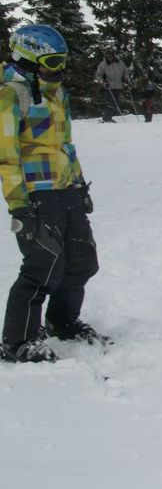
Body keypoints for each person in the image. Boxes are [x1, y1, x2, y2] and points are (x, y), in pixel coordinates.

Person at [0, 25, 101, 363]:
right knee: (43, 265)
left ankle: (62, 321)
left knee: (82, 262)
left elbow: (66, 145)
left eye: (63, 61)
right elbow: (6, 155)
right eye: (54, 61)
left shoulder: (57, 94)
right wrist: (19, 205)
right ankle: (18, 341)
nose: (60, 68)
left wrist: (79, 184)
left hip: (65, 189)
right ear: (29, 57)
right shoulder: (11, 94)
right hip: (36, 194)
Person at [94, 46, 130, 122]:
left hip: (118, 86)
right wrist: (103, 82)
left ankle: (108, 117)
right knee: (110, 103)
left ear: (114, 55)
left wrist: (126, 79)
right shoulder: (103, 64)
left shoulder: (120, 63)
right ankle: (107, 118)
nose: (109, 56)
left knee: (115, 103)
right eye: (108, 55)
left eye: (111, 55)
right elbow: (98, 75)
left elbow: (125, 72)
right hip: (109, 86)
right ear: (105, 55)